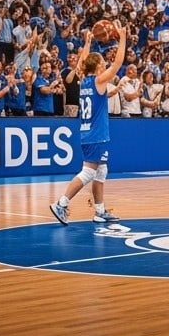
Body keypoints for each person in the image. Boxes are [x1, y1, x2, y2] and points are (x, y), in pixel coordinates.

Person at [50, 22, 128, 226]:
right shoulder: (98, 81)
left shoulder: (83, 79)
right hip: (96, 135)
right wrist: (122, 38)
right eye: (103, 62)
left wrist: (87, 43)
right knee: (88, 172)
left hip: (88, 133)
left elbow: (81, 63)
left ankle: (99, 211)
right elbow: (118, 63)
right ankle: (61, 203)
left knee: (102, 171)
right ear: (99, 67)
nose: (105, 64)